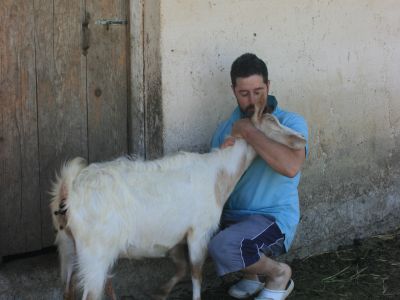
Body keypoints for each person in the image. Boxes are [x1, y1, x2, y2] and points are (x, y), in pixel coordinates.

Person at [208, 53, 308, 300]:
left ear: (268, 86)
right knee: (189, 233)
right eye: (244, 94)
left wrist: (249, 131)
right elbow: (216, 181)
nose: (252, 100)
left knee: (223, 246)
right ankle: (251, 276)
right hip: (232, 218)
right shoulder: (224, 130)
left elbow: (291, 167)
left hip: (271, 218)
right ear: (233, 91)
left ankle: (278, 275)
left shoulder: (289, 122)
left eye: (258, 91)